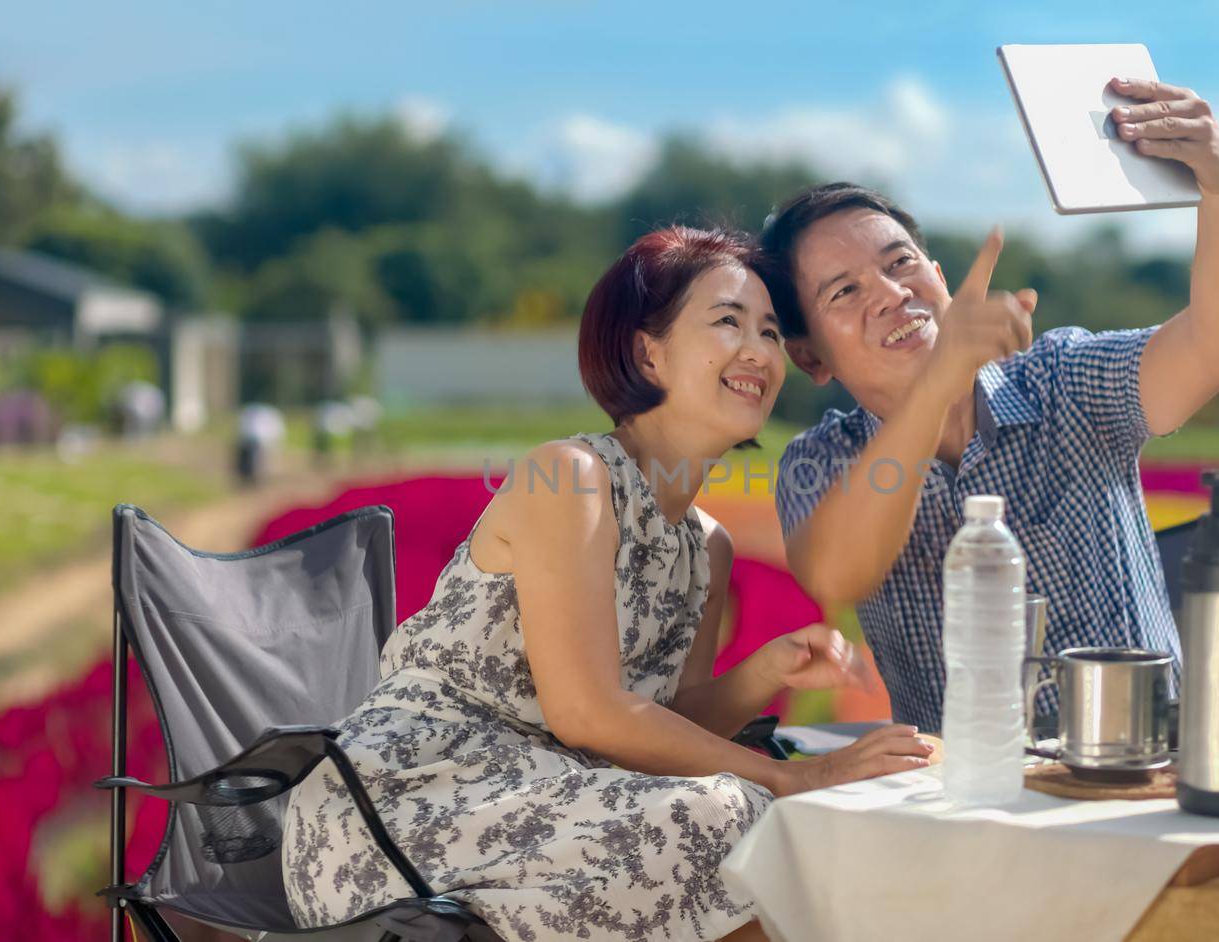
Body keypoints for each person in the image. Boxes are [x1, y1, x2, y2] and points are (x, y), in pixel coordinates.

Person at [282, 227, 935, 942]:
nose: (758, 350)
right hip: (407, 806)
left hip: (552, 801)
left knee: (757, 819)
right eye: (728, 321)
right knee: (729, 812)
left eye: (772, 332)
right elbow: (589, 716)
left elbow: (666, 721)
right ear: (645, 350)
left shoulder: (704, 544)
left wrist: (761, 672)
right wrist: (792, 778)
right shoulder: (570, 477)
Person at [762, 78, 1219, 732]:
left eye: (901, 263)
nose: (890, 294)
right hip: (960, 794)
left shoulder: (1065, 381)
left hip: (1139, 768)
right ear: (810, 358)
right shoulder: (819, 461)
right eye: (844, 292)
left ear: (940, 279)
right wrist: (936, 384)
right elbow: (837, 575)